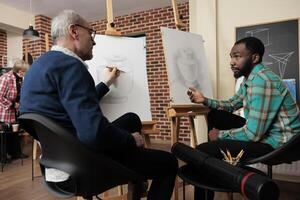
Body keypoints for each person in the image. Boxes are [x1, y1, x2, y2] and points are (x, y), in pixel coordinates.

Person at [20, 10, 178, 200]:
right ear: (74, 31)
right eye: (91, 33)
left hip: (57, 164)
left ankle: (137, 180)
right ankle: (138, 174)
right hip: (84, 164)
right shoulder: (72, 67)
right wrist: (130, 139)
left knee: (131, 119)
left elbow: (73, 105)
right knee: (168, 163)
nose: (94, 41)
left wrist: (105, 84)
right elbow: (93, 134)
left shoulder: (40, 66)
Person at [187, 37, 300, 199]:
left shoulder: (262, 81)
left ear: (255, 58)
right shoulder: (249, 79)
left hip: (279, 144)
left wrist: (220, 135)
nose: (232, 62)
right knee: (215, 113)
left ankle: (212, 157)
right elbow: (232, 104)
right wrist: (204, 100)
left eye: (237, 56)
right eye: (231, 57)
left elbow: (253, 134)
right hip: (266, 134)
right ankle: (217, 162)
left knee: (202, 151)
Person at [0, 59, 29, 160]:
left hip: (14, 109)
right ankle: (3, 156)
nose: (25, 73)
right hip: (4, 110)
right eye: (23, 71)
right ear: (19, 70)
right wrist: (12, 104)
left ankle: (15, 153)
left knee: (14, 133)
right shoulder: (5, 78)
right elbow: (0, 96)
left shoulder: (20, 79)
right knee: (6, 134)